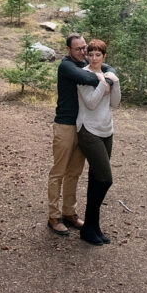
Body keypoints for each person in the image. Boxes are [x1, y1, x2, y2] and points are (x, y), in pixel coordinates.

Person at [46, 33, 110, 235]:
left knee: (74, 172)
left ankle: (69, 213)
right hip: (65, 125)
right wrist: (102, 77)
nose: (83, 52)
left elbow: (109, 68)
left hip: (83, 127)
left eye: (84, 48)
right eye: (78, 49)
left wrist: (108, 73)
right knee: (59, 172)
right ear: (68, 50)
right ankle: (53, 216)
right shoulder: (67, 66)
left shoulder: (84, 63)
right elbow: (86, 78)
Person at [76, 39, 120, 245]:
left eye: (98, 55)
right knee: (105, 180)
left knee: (95, 179)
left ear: (104, 56)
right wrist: (103, 81)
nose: (93, 58)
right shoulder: (84, 75)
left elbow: (115, 103)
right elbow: (92, 103)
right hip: (89, 130)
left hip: (106, 130)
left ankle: (93, 227)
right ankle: (87, 228)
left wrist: (115, 81)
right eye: (90, 55)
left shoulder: (108, 74)